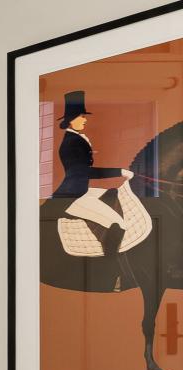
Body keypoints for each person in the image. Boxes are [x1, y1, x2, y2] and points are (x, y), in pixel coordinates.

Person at [53, 91, 133, 258]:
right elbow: (86, 172)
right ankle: (109, 263)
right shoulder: (71, 144)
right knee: (118, 224)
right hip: (72, 196)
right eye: (82, 116)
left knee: (113, 194)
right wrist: (120, 172)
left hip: (78, 189)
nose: (85, 119)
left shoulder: (77, 139)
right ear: (71, 120)